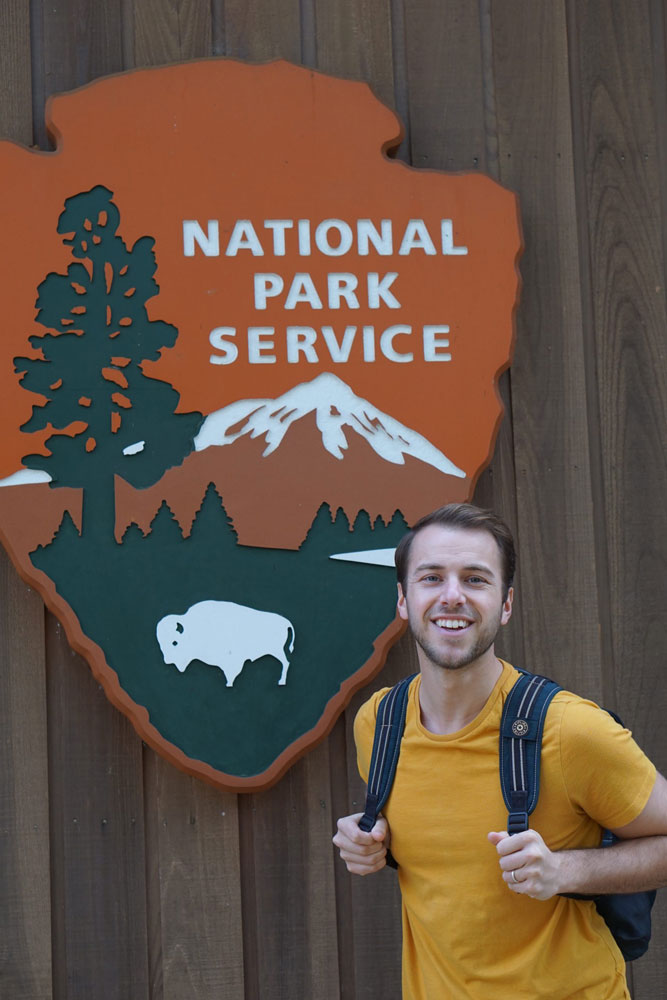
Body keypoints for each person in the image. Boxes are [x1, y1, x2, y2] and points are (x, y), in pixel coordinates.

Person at [333, 502, 667, 999]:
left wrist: (565, 870)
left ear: (505, 604)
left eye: (475, 579)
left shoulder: (570, 730)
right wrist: (371, 844)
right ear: (402, 598)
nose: (452, 596)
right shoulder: (378, 726)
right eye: (431, 578)